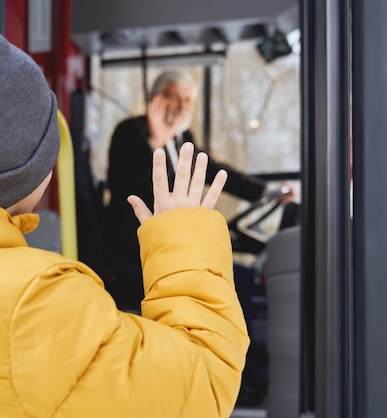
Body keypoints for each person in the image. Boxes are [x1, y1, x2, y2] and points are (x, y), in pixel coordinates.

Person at [0, 13, 248, 418]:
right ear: (32, 170)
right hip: (129, 256)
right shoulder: (37, 304)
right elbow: (199, 387)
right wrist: (188, 234)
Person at [105, 70, 283, 312]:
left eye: (188, 100)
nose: (183, 106)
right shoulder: (130, 131)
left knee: (240, 278)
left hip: (175, 244)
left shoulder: (182, 138)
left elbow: (213, 169)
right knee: (236, 282)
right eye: (175, 97)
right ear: (157, 98)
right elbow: (130, 193)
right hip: (135, 251)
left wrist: (263, 190)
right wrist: (155, 143)